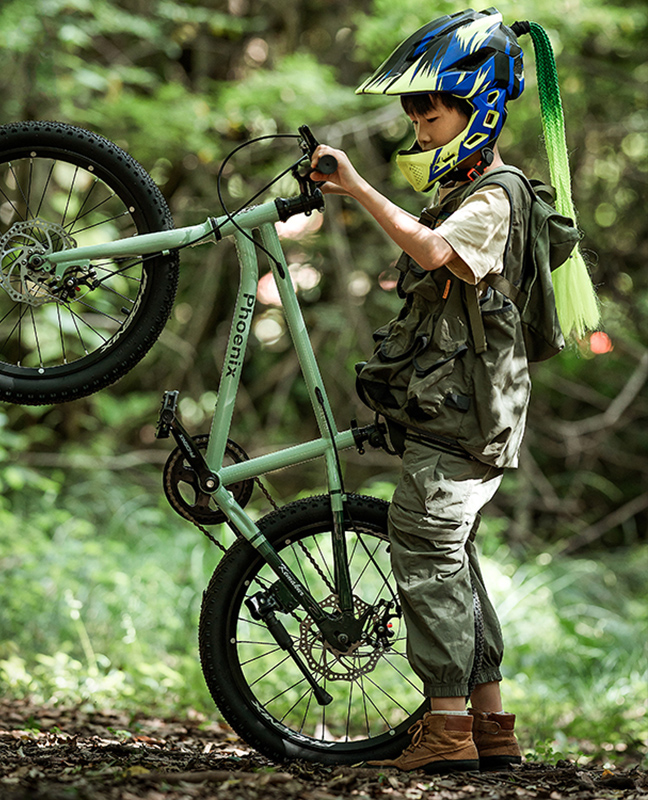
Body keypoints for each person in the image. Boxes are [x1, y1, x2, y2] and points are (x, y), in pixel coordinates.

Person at [311, 8, 596, 774]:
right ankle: (491, 728)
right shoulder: (479, 188)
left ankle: (446, 732)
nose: (419, 129)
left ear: (481, 109)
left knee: (426, 550)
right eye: (413, 114)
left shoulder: (495, 197)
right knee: (454, 562)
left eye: (429, 113)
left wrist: (359, 187)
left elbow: (437, 251)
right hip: (465, 413)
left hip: (468, 421)